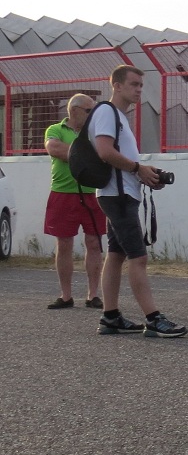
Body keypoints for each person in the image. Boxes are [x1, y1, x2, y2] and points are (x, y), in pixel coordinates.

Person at [90, 64, 188, 338]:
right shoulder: (108, 113)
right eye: (134, 84)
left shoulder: (117, 116)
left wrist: (144, 173)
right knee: (138, 257)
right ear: (117, 85)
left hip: (119, 193)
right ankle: (153, 319)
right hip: (118, 195)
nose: (138, 90)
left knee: (116, 254)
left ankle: (110, 317)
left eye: (141, 86)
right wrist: (138, 169)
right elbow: (105, 152)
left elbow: (116, 157)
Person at [43, 94, 106, 310]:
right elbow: (54, 149)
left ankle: (93, 295)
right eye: (88, 111)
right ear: (74, 110)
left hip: (92, 193)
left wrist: (78, 153)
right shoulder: (55, 129)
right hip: (62, 193)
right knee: (64, 243)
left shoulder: (96, 132)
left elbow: (106, 153)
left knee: (94, 242)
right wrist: (88, 154)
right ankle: (66, 295)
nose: (92, 115)